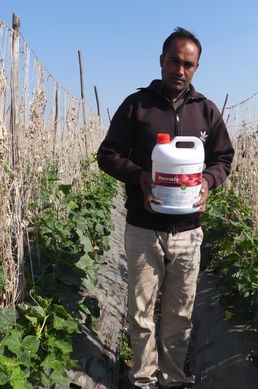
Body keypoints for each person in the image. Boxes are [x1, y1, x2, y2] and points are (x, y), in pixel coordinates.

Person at [97, 27, 234, 389]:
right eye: (174, 61)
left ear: (196, 67)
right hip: (143, 227)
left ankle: (172, 379)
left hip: (188, 231)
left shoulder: (206, 113)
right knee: (141, 312)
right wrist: (140, 176)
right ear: (161, 61)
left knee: (180, 313)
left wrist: (207, 181)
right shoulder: (136, 106)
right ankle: (142, 379)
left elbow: (224, 158)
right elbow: (107, 155)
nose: (181, 70)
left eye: (189, 64)